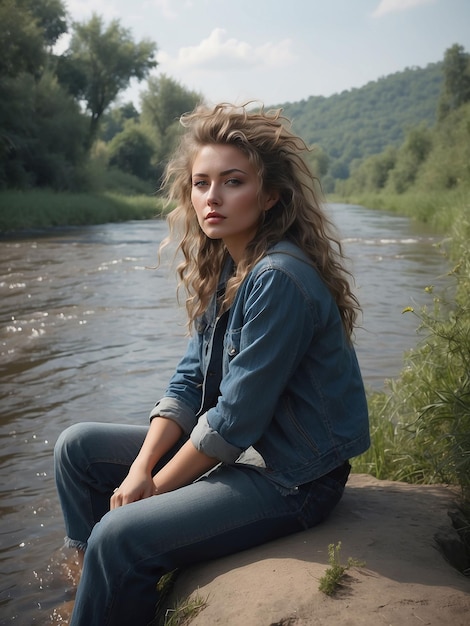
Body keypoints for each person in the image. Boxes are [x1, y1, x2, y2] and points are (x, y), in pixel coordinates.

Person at [54, 102, 370, 626]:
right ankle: (94, 587)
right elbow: (190, 380)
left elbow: (234, 421)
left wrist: (152, 492)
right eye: (201, 183)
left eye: (232, 181)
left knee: (118, 532)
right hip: (248, 450)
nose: (212, 198)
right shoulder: (227, 263)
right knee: (77, 449)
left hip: (291, 477)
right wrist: (138, 470)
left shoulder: (277, 279)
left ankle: (109, 579)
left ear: (269, 196)